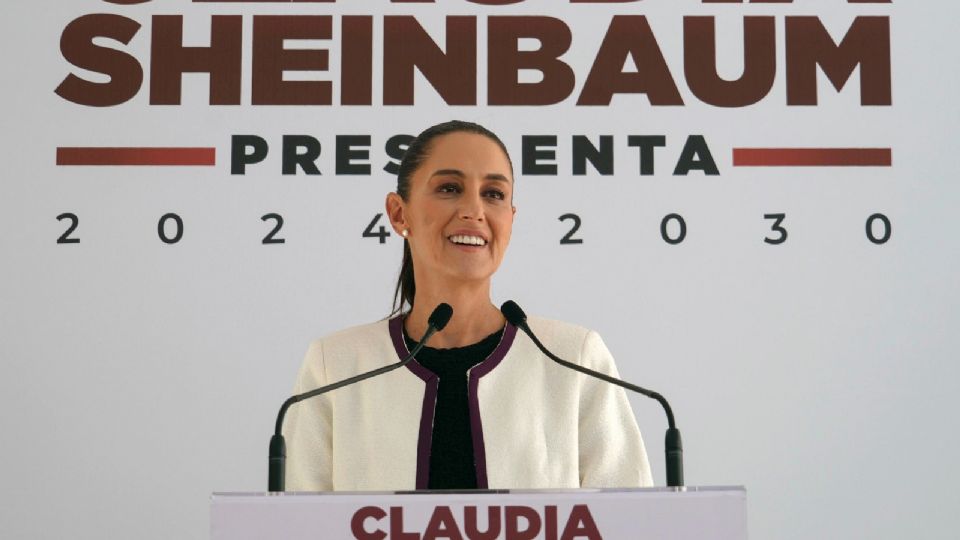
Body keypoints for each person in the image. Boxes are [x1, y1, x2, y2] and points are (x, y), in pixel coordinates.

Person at [284, 120, 653, 491]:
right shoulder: (335, 366)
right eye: (449, 188)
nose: (474, 210)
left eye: (493, 194)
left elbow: (634, 523)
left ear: (511, 218)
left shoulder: (575, 358)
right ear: (398, 213)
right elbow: (294, 527)